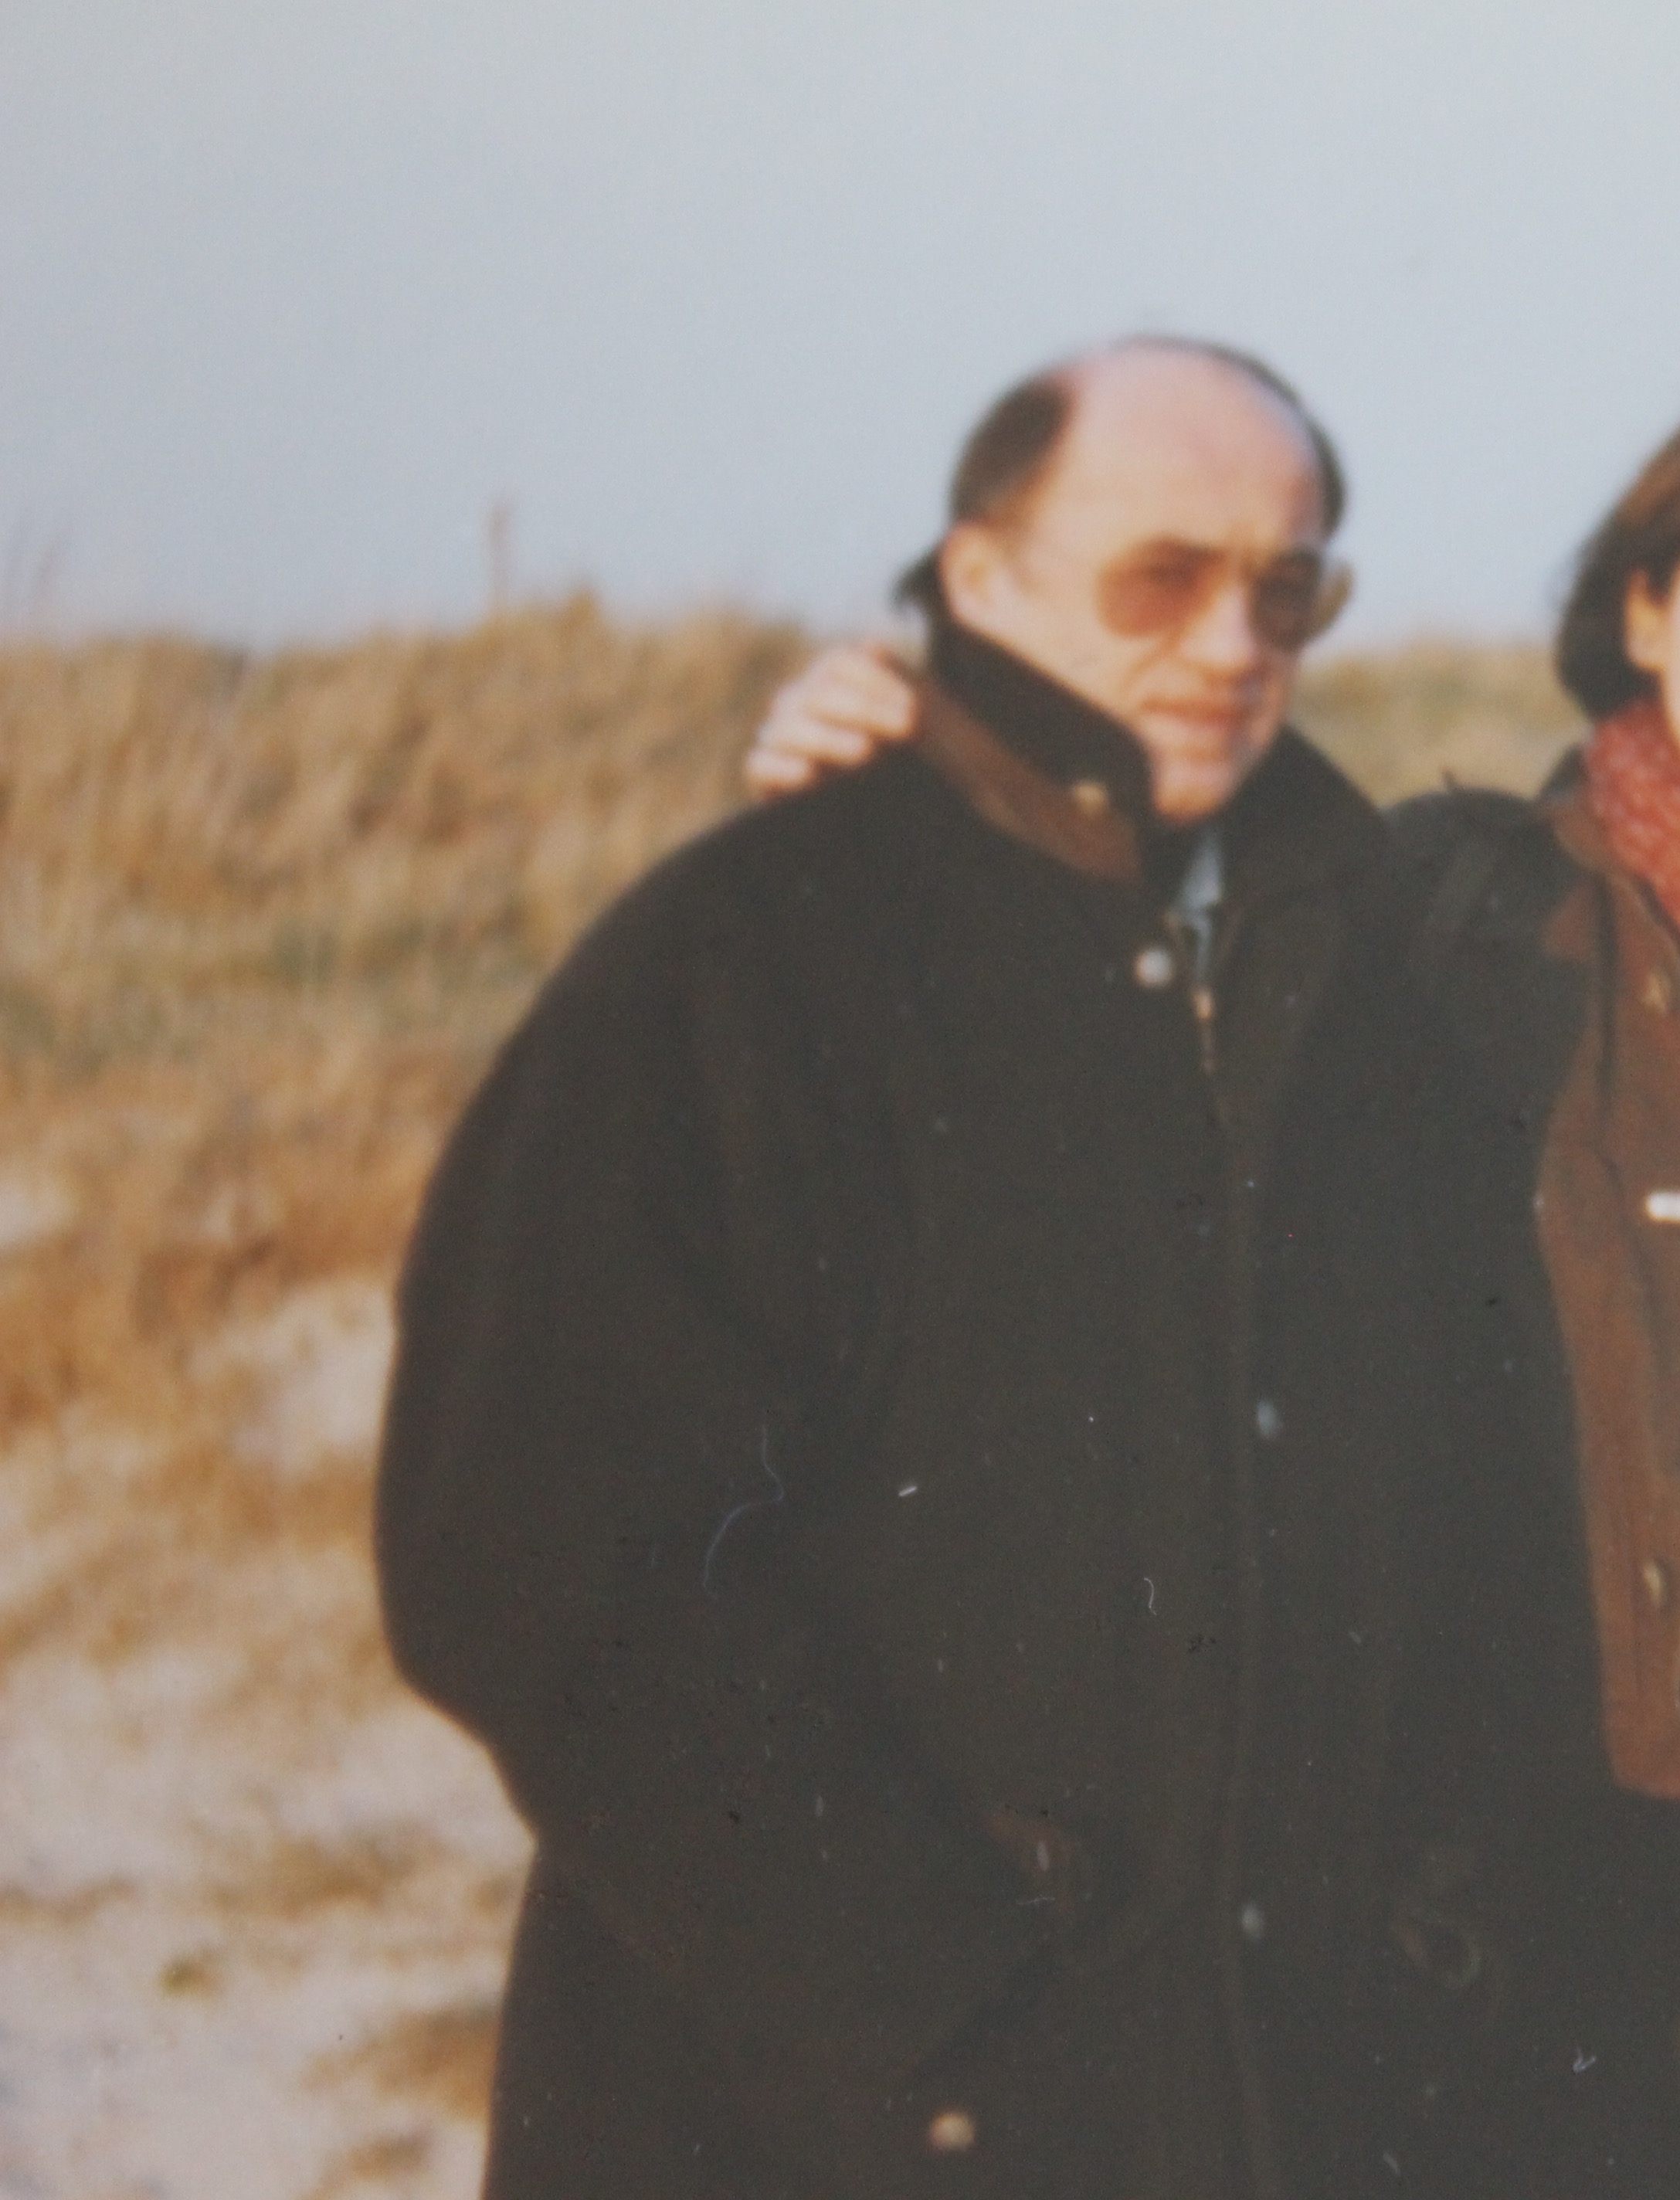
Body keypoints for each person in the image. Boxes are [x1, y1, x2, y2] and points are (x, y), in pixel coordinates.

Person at [746, 364, 1680, 2200]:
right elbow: (1090, 1007)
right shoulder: (1435, 917)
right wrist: (910, 785)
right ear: (1647, 610)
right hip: (1476, 1953)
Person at [378, 337, 1451, 2200]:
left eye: (1288, 589)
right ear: (980, 575)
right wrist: (925, 1989)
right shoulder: (741, 958)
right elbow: (536, 1548)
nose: (1230, 643)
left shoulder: (1368, 964)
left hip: (1262, 2097)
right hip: (820, 2110)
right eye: (1159, 577)